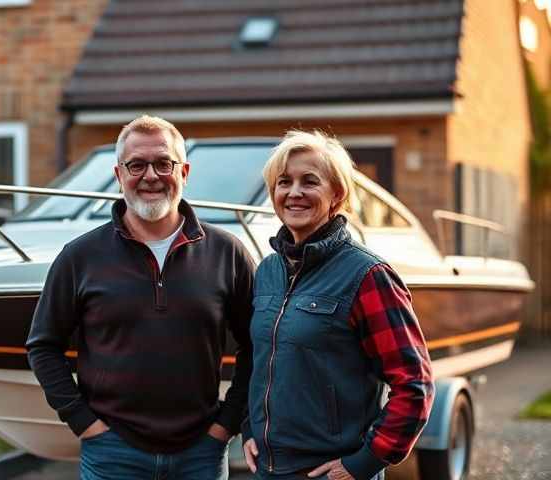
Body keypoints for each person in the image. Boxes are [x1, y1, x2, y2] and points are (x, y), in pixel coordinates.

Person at [26, 115, 255, 480]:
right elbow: (43, 345)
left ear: (184, 172)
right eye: (137, 165)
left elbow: (257, 345)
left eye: (164, 163)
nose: (151, 175)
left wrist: (227, 424)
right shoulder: (80, 256)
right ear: (119, 175)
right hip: (112, 452)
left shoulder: (227, 252)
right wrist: (85, 424)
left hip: (201, 453)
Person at [242, 130, 434, 480]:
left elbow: (414, 384)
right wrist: (249, 428)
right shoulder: (268, 270)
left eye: (310, 181)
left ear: (337, 194)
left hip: (332, 473)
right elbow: (260, 364)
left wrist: (364, 462)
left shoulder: (368, 275)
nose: (294, 192)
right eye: (284, 182)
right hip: (267, 470)